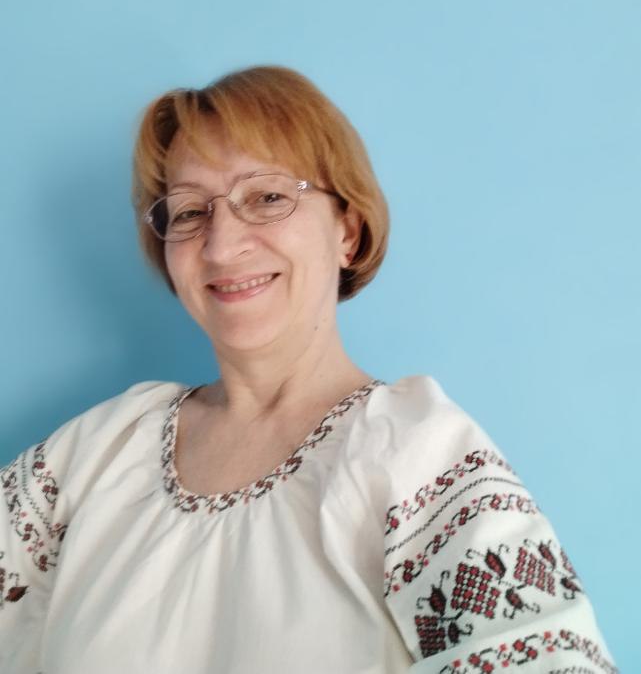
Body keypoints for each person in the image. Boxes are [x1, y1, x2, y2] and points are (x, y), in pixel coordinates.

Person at [0, 66, 617, 673]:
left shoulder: (416, 454)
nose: (221, 245)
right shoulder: (96, 452)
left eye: (267, 197)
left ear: (347, 230)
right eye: (188, 212)